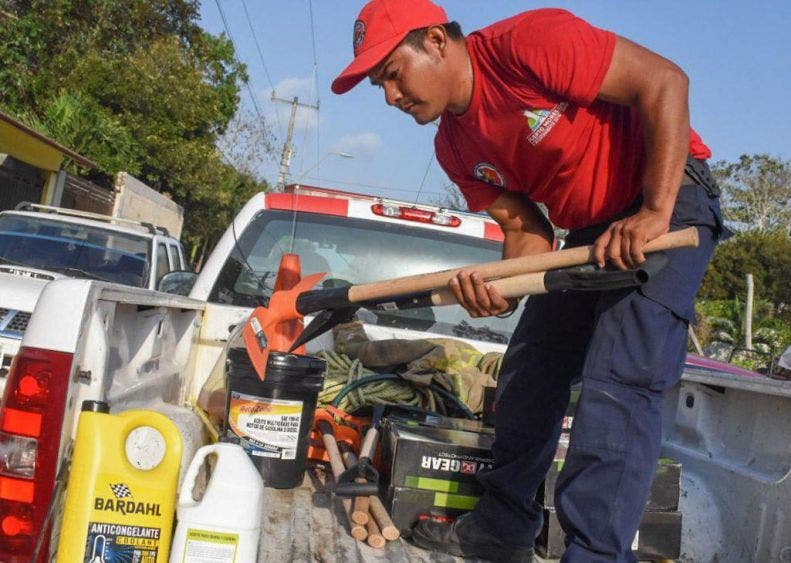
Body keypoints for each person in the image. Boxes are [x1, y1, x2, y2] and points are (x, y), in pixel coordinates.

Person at [332, 1, 727, 561]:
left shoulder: (528, 45)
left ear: (437, 43)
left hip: (669, 201)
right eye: (380, 86)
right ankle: (501, 527)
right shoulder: (453, 147)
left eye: (393, 74)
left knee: (617, 380)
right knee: (529, 370)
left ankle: (593, 554)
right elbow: (527, 233)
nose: (391, 97)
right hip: (593, 229)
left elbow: (665, 81)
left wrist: (656, 209)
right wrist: (498, 286)